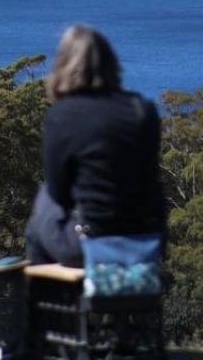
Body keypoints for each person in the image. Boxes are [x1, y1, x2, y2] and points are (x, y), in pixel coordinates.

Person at [25, 24, 167, 266]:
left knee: (40, 212)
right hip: (147, 241)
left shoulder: (62, 115)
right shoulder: (142, 109)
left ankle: (47, 299)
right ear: (111, 64)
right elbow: (150, 177)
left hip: (91, 243)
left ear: (63, 67)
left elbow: (59, 192)